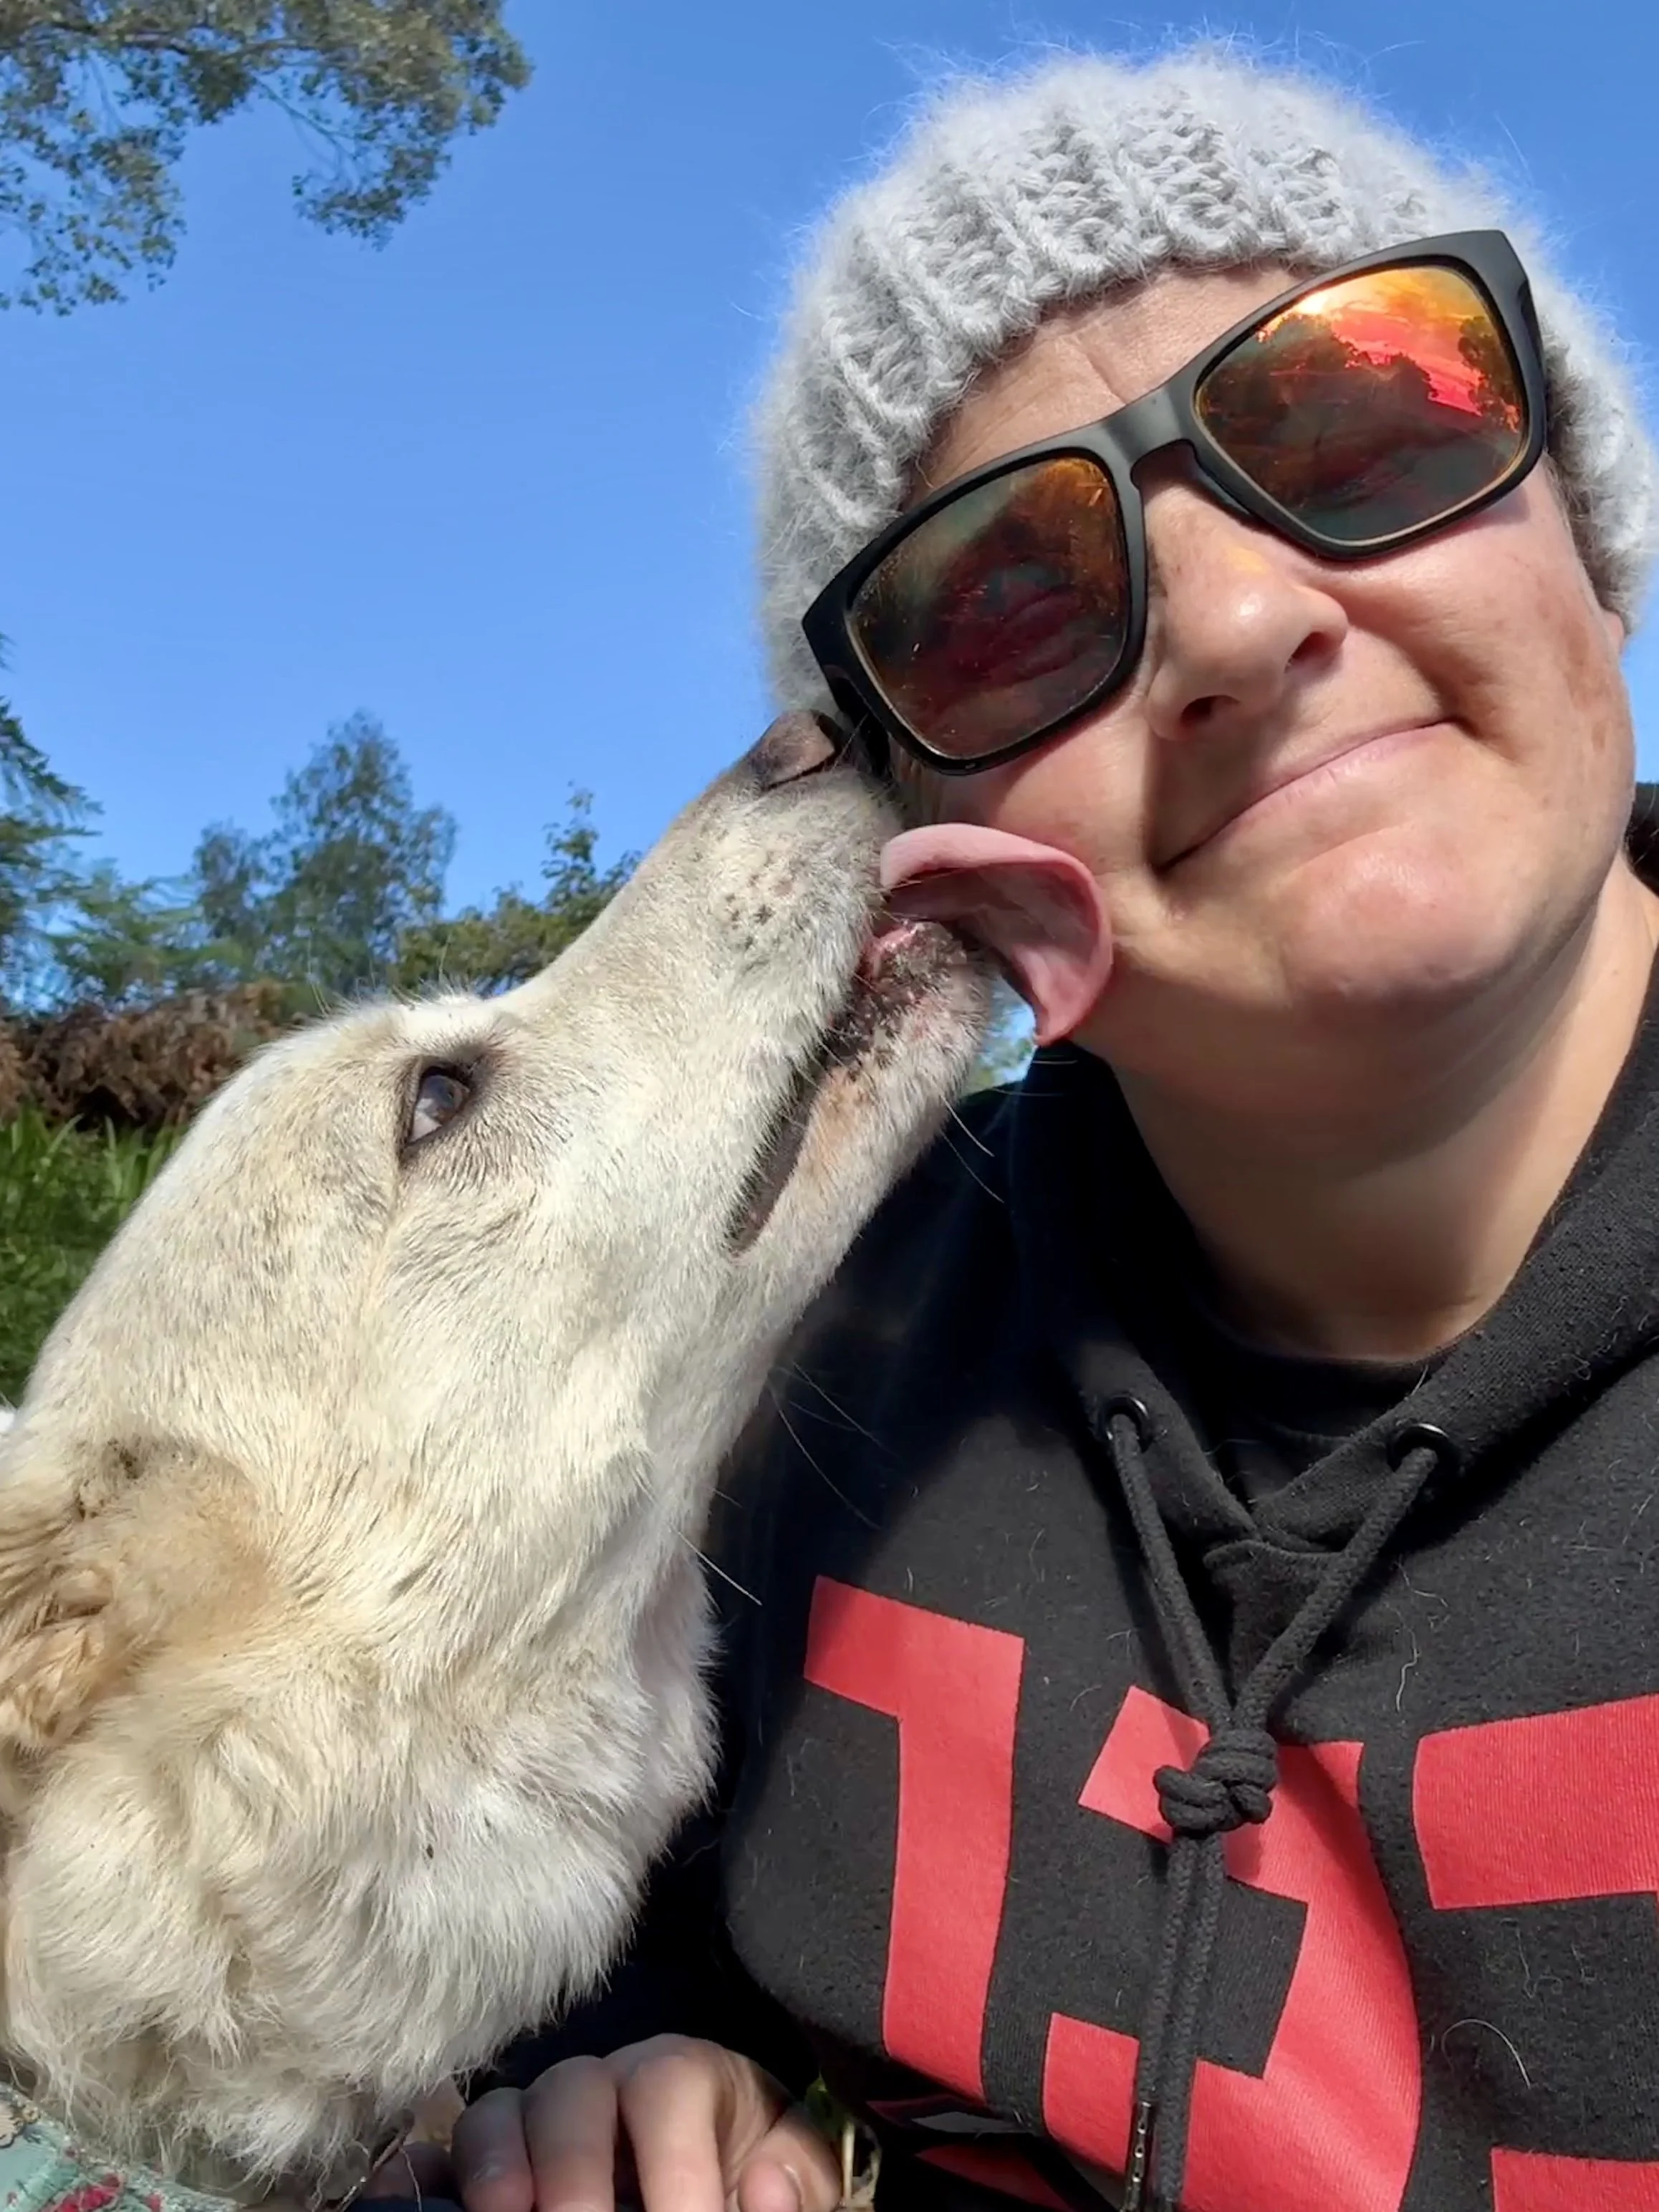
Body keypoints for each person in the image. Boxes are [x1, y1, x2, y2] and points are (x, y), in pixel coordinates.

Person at [366, 46, 1659, 2212]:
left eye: (1357, 418)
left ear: (1580, 525)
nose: (1242, 625)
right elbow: (567, 1939)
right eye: (1008, 600)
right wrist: (637, 2075)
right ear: (932, 841)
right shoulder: (794, 1383)